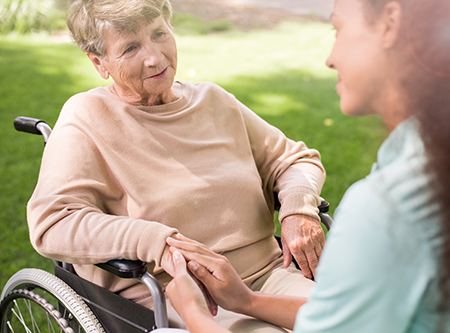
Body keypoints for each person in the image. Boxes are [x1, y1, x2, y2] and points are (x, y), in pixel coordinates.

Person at [163, 0, 450, 331]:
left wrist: (195, 315)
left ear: (390, 23)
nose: (330, 58)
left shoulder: (388, 209)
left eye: (337, 28)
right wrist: (246, 301)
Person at [26, 0, 327, 331]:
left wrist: (299, 207)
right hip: (181, 296)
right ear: (99, 63)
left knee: (359, 321)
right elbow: (53, 222)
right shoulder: (87, 117)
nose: (155, 57)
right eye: (130, 48)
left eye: (159, 33)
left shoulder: (214, 101)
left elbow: (294, 159)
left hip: (272, 275)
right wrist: (155, 240)